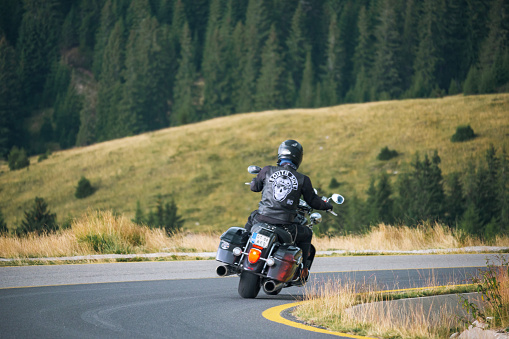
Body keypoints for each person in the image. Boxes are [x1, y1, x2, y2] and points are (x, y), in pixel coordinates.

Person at [245, 140, 333, 279]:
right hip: (285, 225)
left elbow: (254, 188)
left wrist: (256, 180)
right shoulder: (303, 179)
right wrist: (327, 205)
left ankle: (244, 247)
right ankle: (302, 270)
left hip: (262, 218)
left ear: (280, 153)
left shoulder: (267, 170)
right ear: (298, 158)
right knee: (307, 233)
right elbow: (313, 201)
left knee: (251, 218)